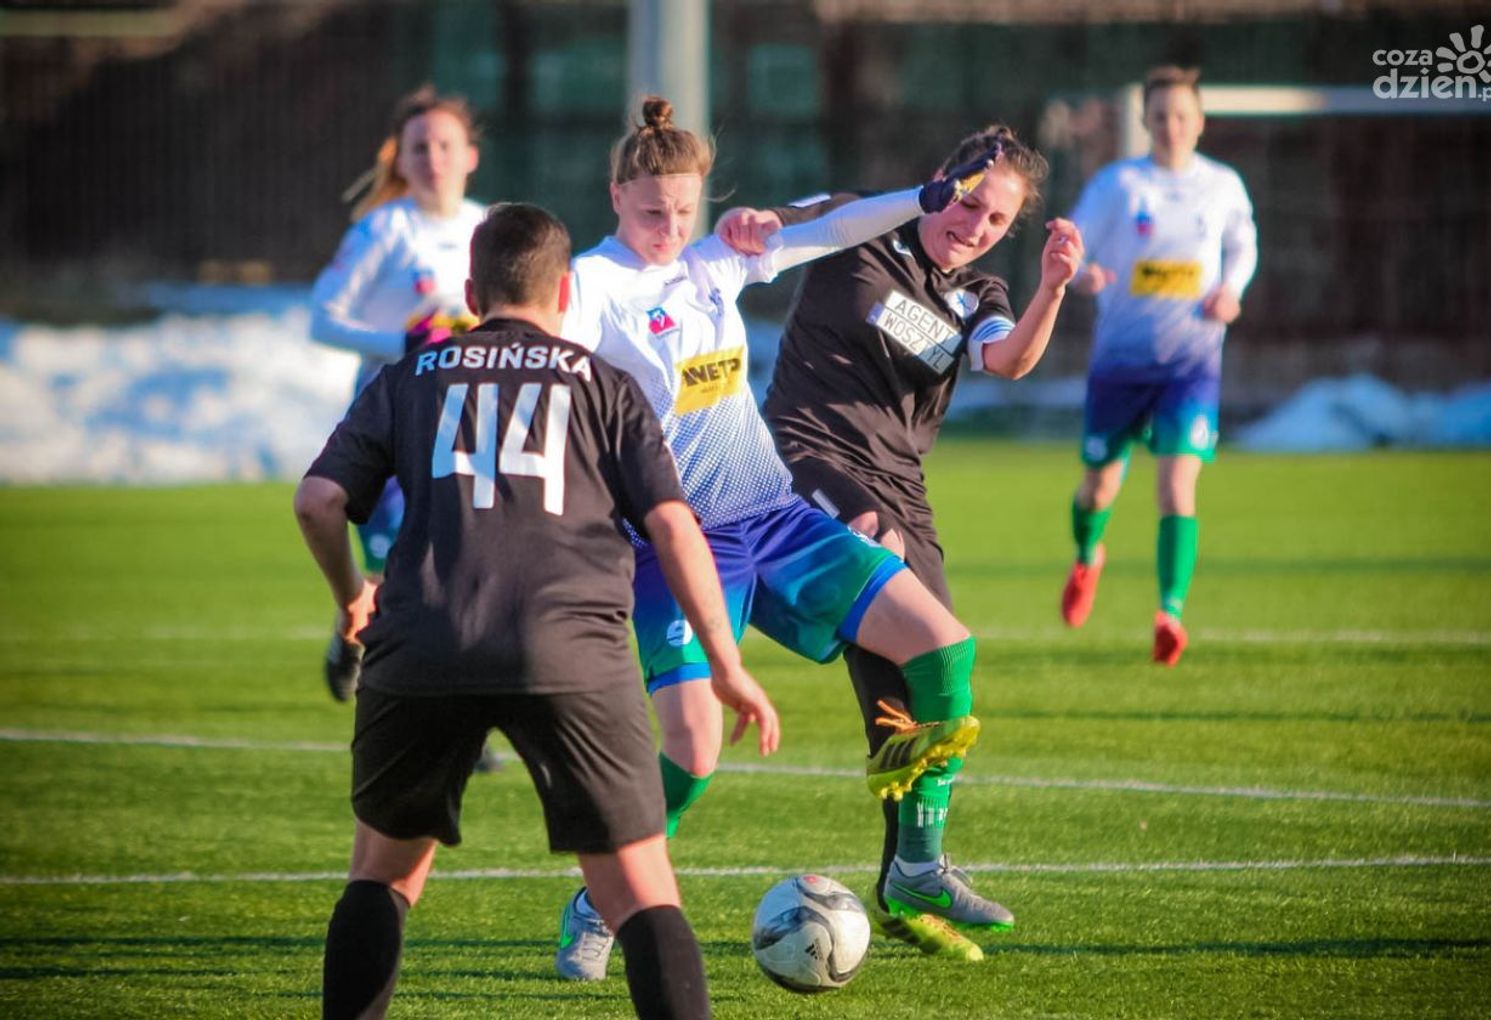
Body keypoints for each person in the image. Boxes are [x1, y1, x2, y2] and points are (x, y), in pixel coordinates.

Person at [551, 96, 1010, 983]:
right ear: (615, 197)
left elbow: (830, 228)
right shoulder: (592, 285)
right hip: (678, 542)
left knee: (944, 648)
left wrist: (924, 198)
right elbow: (540, 352)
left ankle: (916, 867)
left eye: (684, 210)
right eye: (652, 212)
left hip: (775, 516)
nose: (670, 229)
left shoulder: (711, 264)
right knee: (694, 749)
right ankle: (599, 899)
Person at [296, 201, 780, 1020]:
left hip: (424, 642)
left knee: (383, 874)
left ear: (470, 293)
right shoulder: (607, 385)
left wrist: (352, 596)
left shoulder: (410, 378)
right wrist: (726, 664)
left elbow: (317, 501)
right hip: (571, 649)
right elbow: (673, 526)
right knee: (640, 889)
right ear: (563, 294)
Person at [716, 125, 1081, 961]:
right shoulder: (865, 224)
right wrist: (755, 223)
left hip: (902, 489)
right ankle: (913, 870)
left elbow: (1007, 359)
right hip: (805, 455)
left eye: (997, 220)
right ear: (942, 181)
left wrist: (1053, 288)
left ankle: (909, 875)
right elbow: (783, 226)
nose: (975, 226)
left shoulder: (979, 292)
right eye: (969, 203)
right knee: (877, 565)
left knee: (928, 676)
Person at [1059, 66, 1258, 665]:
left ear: (1199, 121)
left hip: (1190, 366)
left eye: (1181, 116)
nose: (1171, 126)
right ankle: (1088, 554)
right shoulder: (1118, 185)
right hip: (1119, 365)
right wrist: (1082, 274)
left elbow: (1243, 246)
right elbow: (1074, 244)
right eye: (1160, 116)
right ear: (1145, 121)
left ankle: (1169, 612)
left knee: (1176, 488)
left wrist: (1232, 290)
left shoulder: (1222, 185)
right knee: (1098, 488)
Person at [309, 85, 486, 704]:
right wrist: (402, 341)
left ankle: (447, 707)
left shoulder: (487, 226)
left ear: (470, 156)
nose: (433, 158)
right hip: (391, 423)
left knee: (456, 569)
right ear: (401, 159)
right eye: (419, 147)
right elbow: (321, 319)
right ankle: (353, 629)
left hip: (467, 425)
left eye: (445, 145)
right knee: (400, 573)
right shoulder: (381, 230)